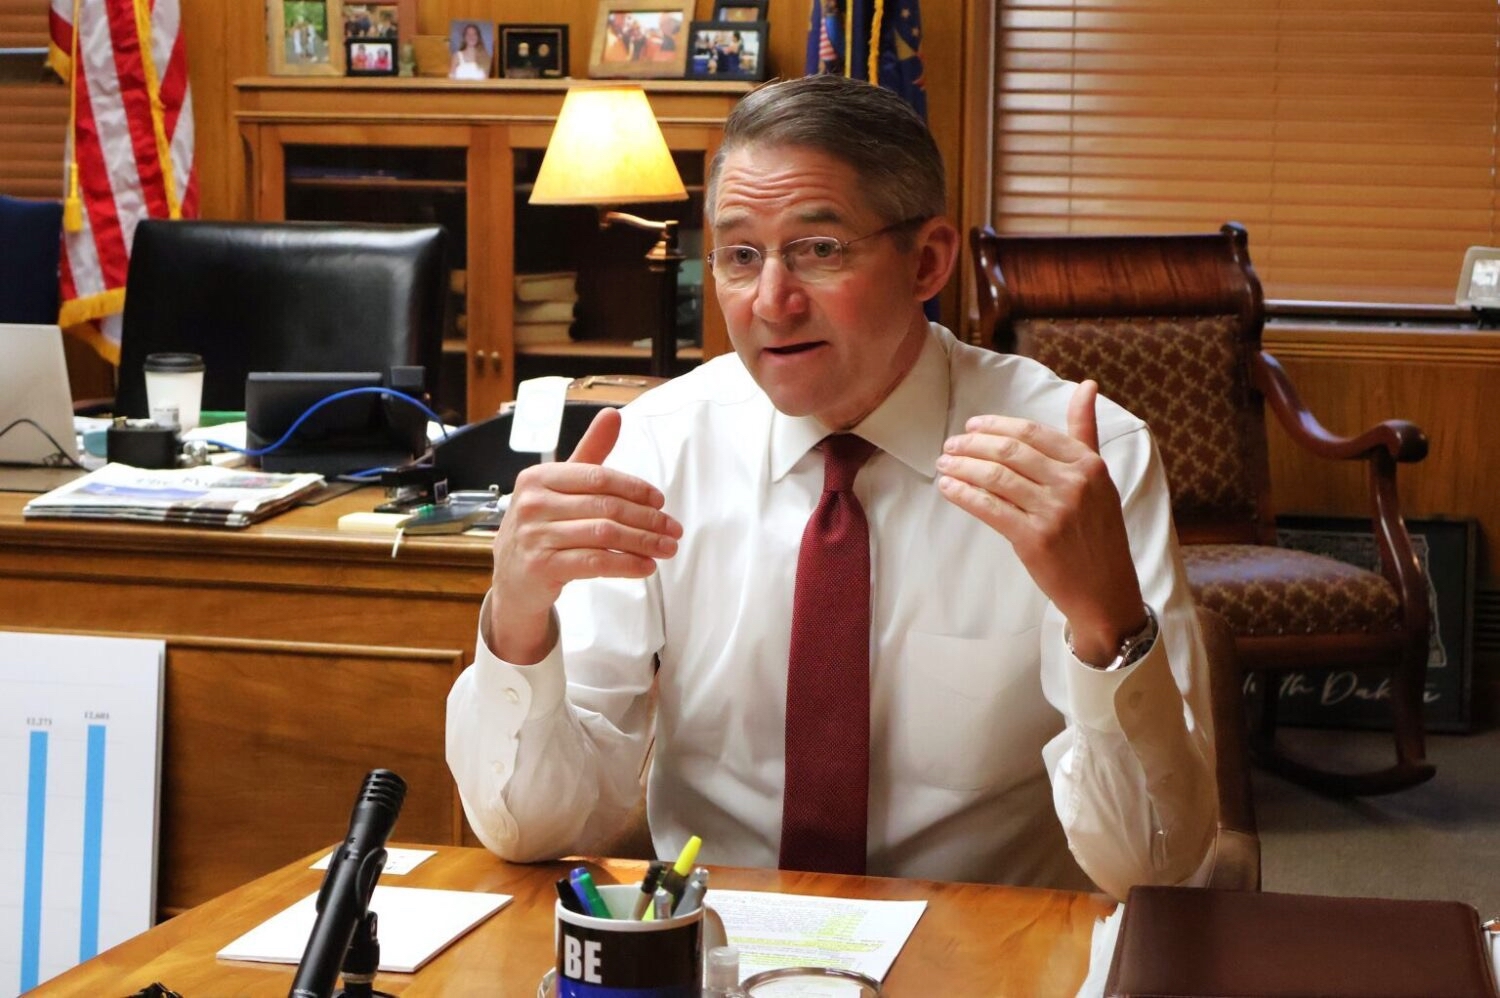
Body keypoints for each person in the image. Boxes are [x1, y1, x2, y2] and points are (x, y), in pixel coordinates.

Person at [446, 75, 1217, 900]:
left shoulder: (1077, 461)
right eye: (741, 256)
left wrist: (1106, 626)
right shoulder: (655, 447)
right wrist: (519, 619)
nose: (771, 302)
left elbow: (1154, 865)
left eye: (819, 250)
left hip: (987, 954)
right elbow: (532, 829)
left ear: (926, 261)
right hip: (722, 950)